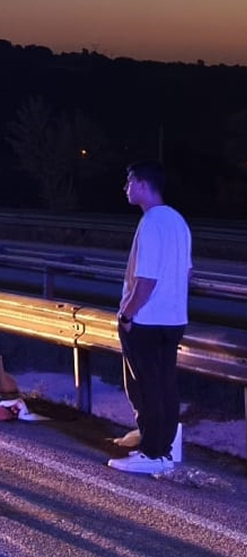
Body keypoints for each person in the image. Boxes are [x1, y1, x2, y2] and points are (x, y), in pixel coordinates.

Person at [107, 161, 191, 475]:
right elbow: (187, 272)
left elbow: (146, 280)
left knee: (144, 387)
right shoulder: (178, 221)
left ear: (142, 184)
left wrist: (127, 313)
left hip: (146, 320)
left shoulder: (152, 222)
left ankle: (152, 452)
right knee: (166, 385)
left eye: (129, 182)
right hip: (174, 319)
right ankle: (165, 447)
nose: (125, 188)